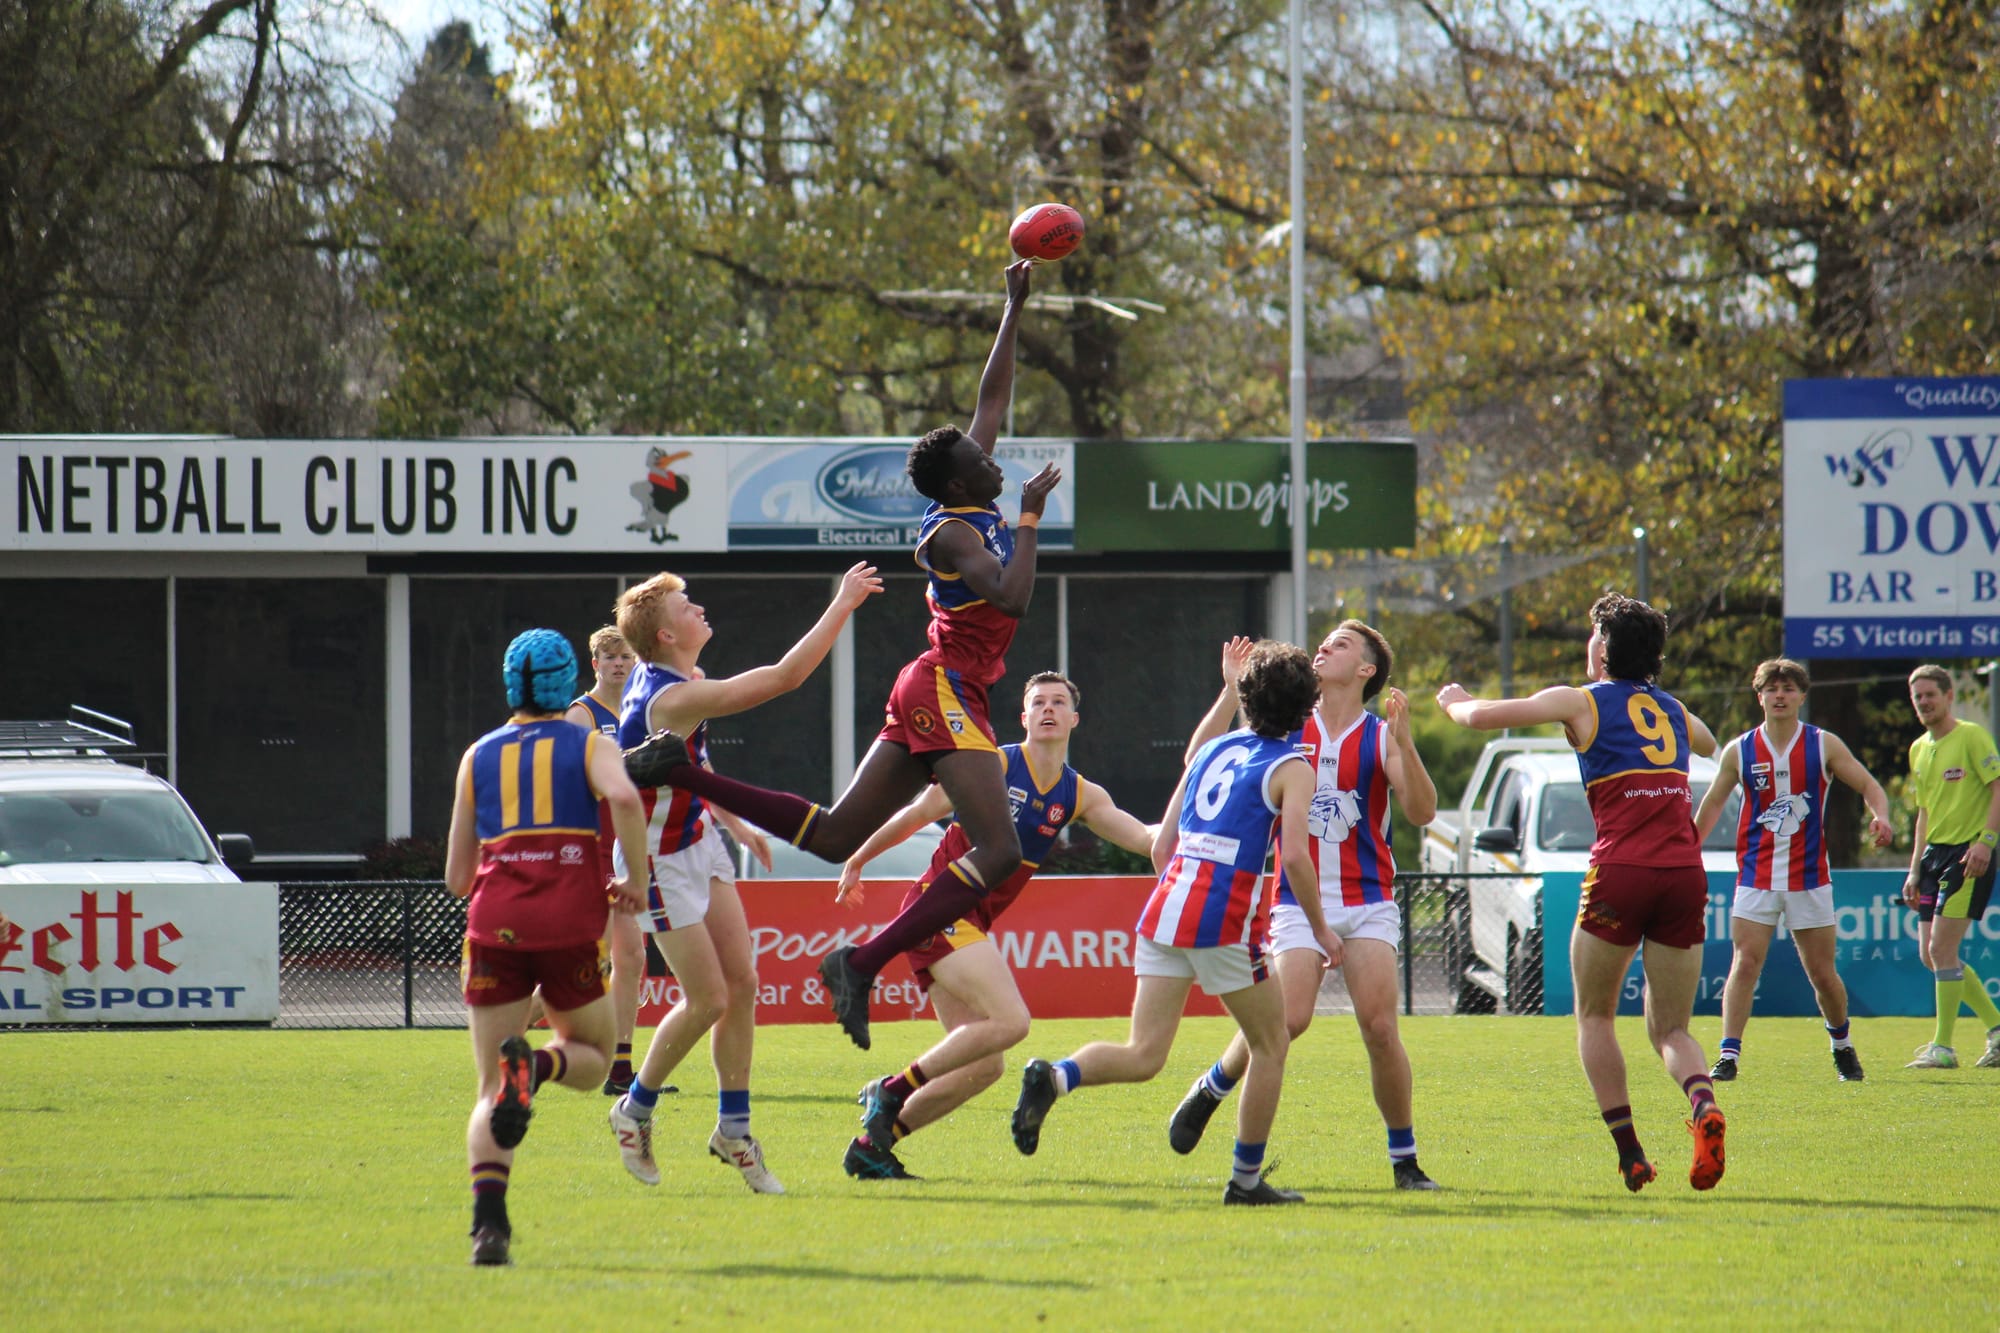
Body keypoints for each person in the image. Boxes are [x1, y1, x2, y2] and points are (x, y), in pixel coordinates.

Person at [625, 260, 1060, 1053]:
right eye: (981, 460)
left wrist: (1012, 306)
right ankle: (861, 961)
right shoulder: (954, 531)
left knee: (831, 837)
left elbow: (991, 399)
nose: (993, 457)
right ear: (956, 480)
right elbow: (1013, 597)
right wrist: (1030, 517)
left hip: (938, 687)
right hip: (944, 688)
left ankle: (681, 771)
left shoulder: (970, 489)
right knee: (1000, 849)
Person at [1009, 639, 1332, 1206]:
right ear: (1307, 707)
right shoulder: (1293, 766)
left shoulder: (1214, 749)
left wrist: (1228, 686)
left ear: (1247, 699)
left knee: (1143, 1054)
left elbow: (1162, 846)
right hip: (1222, 920)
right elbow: (1298, 860)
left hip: (1165, 909)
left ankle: (1053, 1077)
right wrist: (1323, 931)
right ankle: (1245, 1182)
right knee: (1271, 1043)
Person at [604, 561, 883, 1196]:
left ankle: (733, 1131)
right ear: (666, 636)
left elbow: (687, 764)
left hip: (699, 840)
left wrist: (737, 823)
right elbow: (785, 678)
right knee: (708, 1000)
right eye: (686, 607)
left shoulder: (679, 678)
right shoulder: (673, 698)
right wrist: (842, 602)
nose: (698, 608)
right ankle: (634, 1108)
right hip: (657, 862)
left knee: (744, 984)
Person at [1437, 592, 1727, 1193]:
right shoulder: (1673, 709)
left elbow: (1483, 717)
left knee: (1595, 1015)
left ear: (1604, 647)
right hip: (1683, 874)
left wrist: (1456, 702)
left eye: (1595, 635)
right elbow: (1706, 742)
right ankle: (1704, 1105)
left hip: (1620, 870)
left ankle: (1631, 1154)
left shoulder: (1582, 700)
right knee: (1672, 1030)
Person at [832, 669, 1159, 1180]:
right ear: (1023, 716)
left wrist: (1199, 827)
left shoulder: (1079, 794)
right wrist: (858, 858)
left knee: (985, 1066)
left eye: (1058, 702)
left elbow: (1145, 840)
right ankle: (890, 1091)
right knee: (1013, 1022)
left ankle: (873, 1146)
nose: (1048, 709)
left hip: (966, 922)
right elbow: (920, 813)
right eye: (1038, 702)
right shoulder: (992, 765)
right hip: (937, 910)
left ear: (1074, 719)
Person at [1166, 621, 1444, 1191]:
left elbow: (1421, 812)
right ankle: (1213, 1086)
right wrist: (1230, 689)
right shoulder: (1289, 725)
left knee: (1380, 1028)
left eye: (1340, 644)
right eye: (1325, 641)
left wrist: (1408, 744)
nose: (1324, 647)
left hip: (1367, 900)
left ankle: (1405, 1162)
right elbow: (1198, 760)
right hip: (1296, 900)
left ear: (1366, 670)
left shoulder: (1380, 735)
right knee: (1287, 1021)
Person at [446, 628, 650, 1267]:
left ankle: (489, 1228)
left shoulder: (477, 755)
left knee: (488, 1088)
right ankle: (536, 1068)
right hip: (568, 927)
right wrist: (635, 880)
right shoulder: (589, 742)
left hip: (494, 926)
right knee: (592, 1057)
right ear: (567, 684)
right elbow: (624, 797)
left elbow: (457, 878)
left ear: (510, 684)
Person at [567, 632, 769, 1097]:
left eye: (625, 656)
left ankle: (622, 1069)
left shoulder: (656, 699)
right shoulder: (584, 715)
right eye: (609, 657)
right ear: (595, 664)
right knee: (594, 962)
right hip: (600, 850)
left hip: (644, 846)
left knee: (632, 959)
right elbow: (571, 785)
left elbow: (701, 772)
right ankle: (516, 1033)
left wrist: (736, 826)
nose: (619, 664)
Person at [1692, 658, 1894, 1083]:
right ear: (1759, 696)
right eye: (1772, 688)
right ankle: (1728, 1055)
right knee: (1745, 962)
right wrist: (1687, 848)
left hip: (1809, 877)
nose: (1779, 696)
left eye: (1788, 689)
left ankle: (1842, 1045)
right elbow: (1711, 804)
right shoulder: (1739, 750)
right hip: (1756, 875)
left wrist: (1881, 816)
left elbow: (1869, 785)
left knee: (1822, 974)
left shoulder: (1823, 744)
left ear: (1802, 696)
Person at [1899, 664, 2000, 1070]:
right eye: (1918, 696)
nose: (1924, 702)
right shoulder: (1918, 749)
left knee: (1941, 949)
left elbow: (1998, 787)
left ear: (1949, 696)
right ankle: (1997, 1029)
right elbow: (1924, 812)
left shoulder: (1972, 736)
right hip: (1933, 857)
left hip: (1967, 854)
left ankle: (1943, 1047)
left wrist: (1986, 843)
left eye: (1930, 695)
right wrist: (1913, 869)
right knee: (1932, 954)